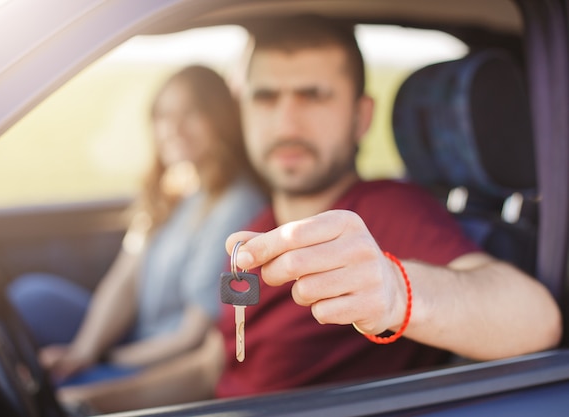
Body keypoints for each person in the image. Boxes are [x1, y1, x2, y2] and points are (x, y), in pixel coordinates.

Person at [213, 14, 562, 397]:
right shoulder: (257, 226)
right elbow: (215, 362)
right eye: (265, 98)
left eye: (313, 96)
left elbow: (535, 318)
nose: (287, 124)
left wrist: (394, 288)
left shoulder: (387, 213)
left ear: (361, 117)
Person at [8, 65, 267, 410]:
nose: (172, 128)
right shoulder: (176, 187)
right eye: (163, 115)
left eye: (190, 113)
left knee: (52, 391)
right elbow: (124, 279)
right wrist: (82, 350)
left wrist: (105, 360)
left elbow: (192, 338)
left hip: (166, 363)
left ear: (219, 118)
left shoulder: (235, 207)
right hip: (137, 337)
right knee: (30, 297)